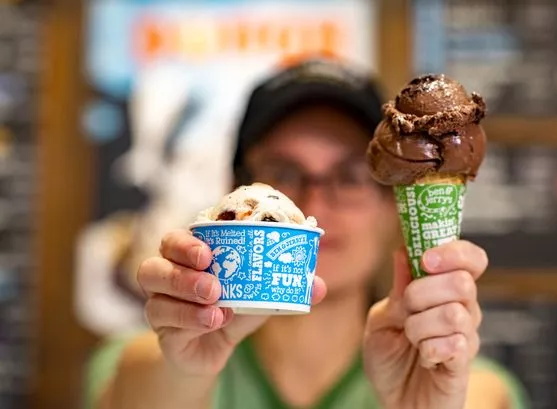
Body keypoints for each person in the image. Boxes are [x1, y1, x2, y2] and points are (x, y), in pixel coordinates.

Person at [85, 58, 529, 409]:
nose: (314, 207)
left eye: (350, 176)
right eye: (284, 172)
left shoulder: (474, 389)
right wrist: (183, 372)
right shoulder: (150, 361)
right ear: (233, 191)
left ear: (388, 208)